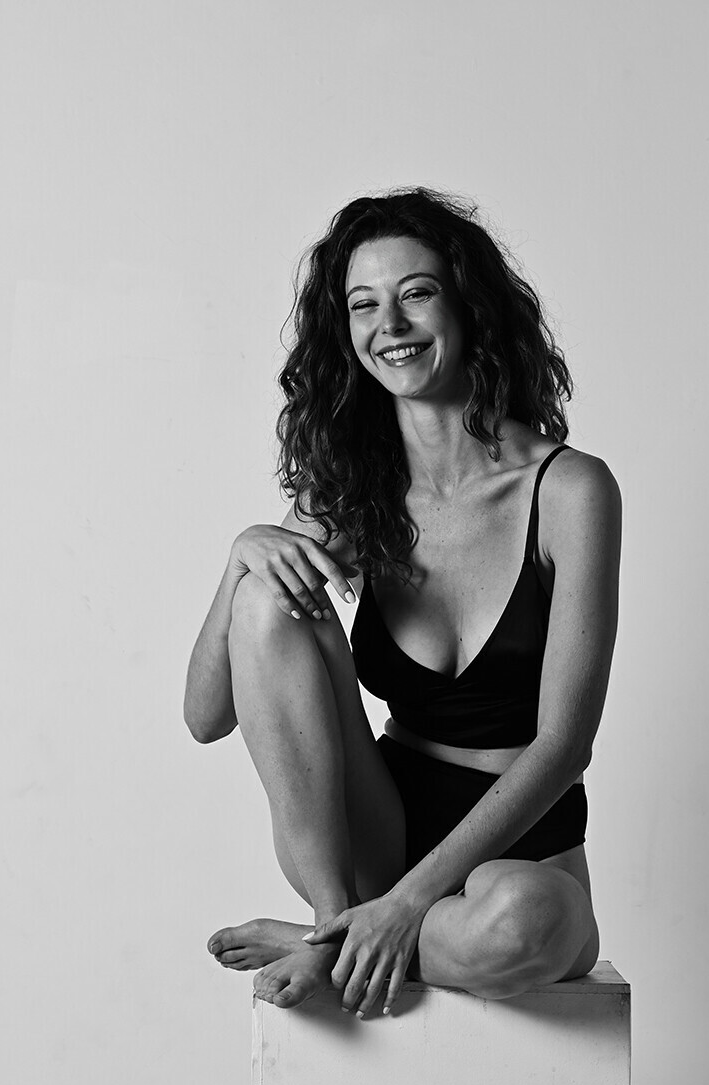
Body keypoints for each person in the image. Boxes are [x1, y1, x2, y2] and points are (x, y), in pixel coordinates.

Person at [185, 187, 621, 1019]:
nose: (390, 324)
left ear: (468, 306)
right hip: (376, 835)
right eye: (363, 304)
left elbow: (566, 745)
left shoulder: (570, 491)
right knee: (265, 599)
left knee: (520, 927)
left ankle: (332, 942)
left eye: (416, 293)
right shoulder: (354, 491)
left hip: (521, 861)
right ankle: (335, 919)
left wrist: (406, 906)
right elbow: (206, 717)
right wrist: (242, 555)